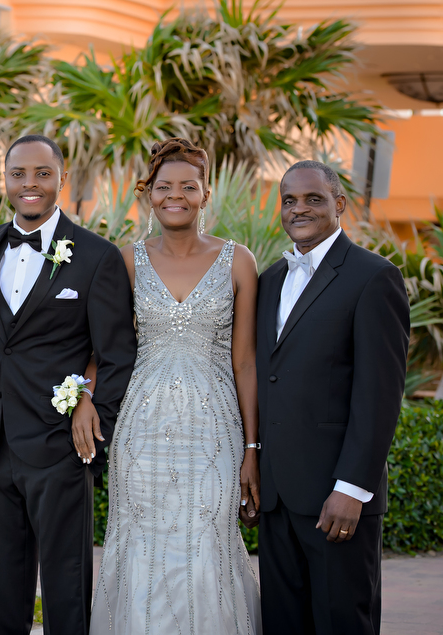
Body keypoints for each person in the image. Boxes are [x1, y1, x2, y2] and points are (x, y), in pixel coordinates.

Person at [0, 134, 137, 634]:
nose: (30, 184)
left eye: (42, 173)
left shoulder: (97, 256)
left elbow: (117, 354)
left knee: (66, 584)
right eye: (19, 173)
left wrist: (90, 404)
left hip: (59, 443)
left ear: (62, 178)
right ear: (6, 180)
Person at [90, 138, 261, 634]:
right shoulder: (125, 260)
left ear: (205, 194)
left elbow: (245, 361)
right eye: (164, 186)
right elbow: (105, 348)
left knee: (207, 540)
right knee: (142, 541)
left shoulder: (239, 261)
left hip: (215, 429)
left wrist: (252, 448)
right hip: (140, 429)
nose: (176, 195)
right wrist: (83, 395)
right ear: (148, 193)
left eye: (189, 186)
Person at [256, 161, 409, 635]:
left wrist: (352, 488)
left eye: (313, 199)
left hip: (335, 498)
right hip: (277, 496)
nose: (299, 208)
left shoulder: (373, 277)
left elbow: (379, 394)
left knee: (343, 622)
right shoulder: (269, 280)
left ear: (339, 204)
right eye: (290, 200)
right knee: (283, 624)